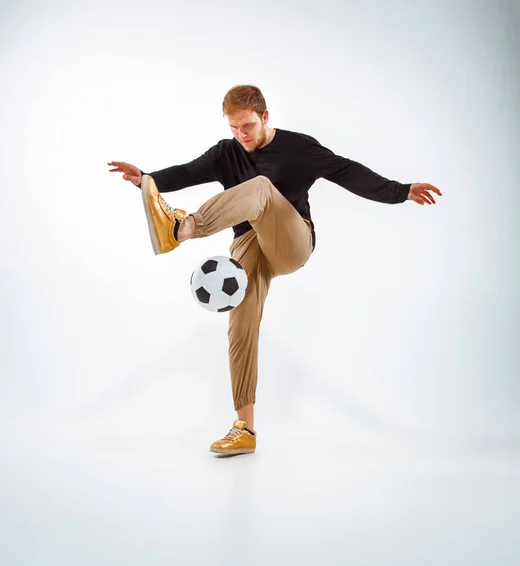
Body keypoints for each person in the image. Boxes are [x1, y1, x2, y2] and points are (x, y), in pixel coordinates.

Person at [107, 84, 442, 456]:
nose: (241, 135)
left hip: (291, 240)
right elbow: (187, 172)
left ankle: (183, 229)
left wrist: (400, 190)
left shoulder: (299, 148)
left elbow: (347, 171)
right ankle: (245, 428)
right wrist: (146, 179)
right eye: (234, 128)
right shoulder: (226, 152)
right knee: (240, 324)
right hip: (249, 245)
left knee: (262, 188)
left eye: (248, 126)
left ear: (265, 117)